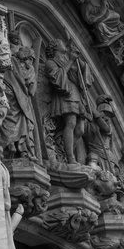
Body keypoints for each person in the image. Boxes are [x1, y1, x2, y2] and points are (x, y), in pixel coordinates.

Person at [45, 37, 91, 165]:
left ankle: (63, 152)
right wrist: (70, 60)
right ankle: (71, 158)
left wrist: (76, 58)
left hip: (76, 92)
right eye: (61, 44)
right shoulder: (51, 62)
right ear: (55, 48)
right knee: (71, 122)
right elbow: (58, 77)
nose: (64, 46)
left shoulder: (66, 59)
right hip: (65, 94)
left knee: (81, 129)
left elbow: (81, 70)